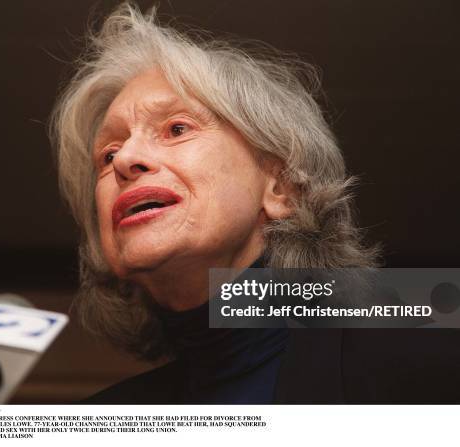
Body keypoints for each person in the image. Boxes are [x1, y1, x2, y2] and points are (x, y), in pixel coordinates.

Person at [50, 2, 460, 403]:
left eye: (177, 129)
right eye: (107, 155)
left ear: (280, 186)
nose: (124, 159)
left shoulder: (429, 334)